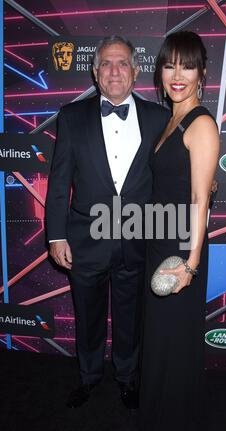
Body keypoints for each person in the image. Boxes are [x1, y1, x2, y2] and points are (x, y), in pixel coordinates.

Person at [45, 36, 170, 409]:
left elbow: (173, 177)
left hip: (137, 237)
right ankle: (88, 377)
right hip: (85, 239)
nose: (114, 71)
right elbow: (58, 181)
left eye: (122, 64)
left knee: (132, 317)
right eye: (106, 64)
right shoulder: (71, 116)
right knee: (88, 315)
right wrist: (55, 235)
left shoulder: (160, 118)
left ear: (135, 73)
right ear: (95, 73)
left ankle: (128, 378)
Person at [139, 31, 220, 431]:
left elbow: (198, 198)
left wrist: (190, 265)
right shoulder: (171, 120)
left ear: (201, 72)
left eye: (187, 65)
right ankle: (157, 418)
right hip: (158, 243)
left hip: (179, 252)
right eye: (170, 64)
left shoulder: (201, 123)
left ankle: (173, 428)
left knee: (173, 339)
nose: (177, 74)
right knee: (159, 339)